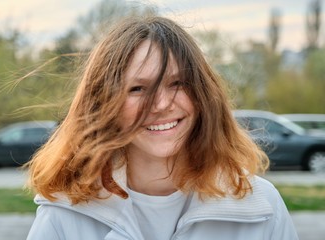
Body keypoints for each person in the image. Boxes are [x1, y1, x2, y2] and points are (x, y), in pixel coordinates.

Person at [26, 16, 298, 240]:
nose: (160, 104)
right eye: (137, 88)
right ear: (104, 103)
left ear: (203, 94)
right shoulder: (65, 212)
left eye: (177, 83)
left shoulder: (261, 206)